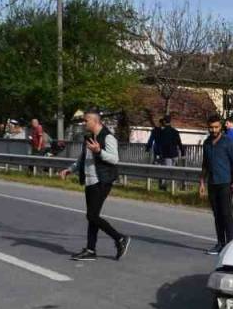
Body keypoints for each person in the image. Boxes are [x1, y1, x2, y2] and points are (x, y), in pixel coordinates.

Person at [60, 108, 131, 261]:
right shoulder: (90, 137)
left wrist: (99, 151)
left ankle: (120, 238)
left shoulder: (108, 137)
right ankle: (91, 250)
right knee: (93, 217)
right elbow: (83, 158)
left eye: (86, 120)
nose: (84, 123)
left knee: (92, 215)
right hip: (90, 180)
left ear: (95, 121)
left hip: (102, 180)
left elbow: (114, 159)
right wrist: (70, 169)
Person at [200, 113, 233, 255]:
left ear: (220, 127)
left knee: (226, 214)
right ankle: (220, 243)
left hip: (226, 183)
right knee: (217, 215)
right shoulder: (206, 143)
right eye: (211, 128)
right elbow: (205, 164)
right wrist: (202, 183)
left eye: (216, 127)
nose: (213, 130)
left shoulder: (227, 141)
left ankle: (230, 245)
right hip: (212, 183)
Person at [145, 115, 185, 189]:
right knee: (173, 171)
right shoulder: (175, 131)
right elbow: (179, 143)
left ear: (164, 121)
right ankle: (174, 186)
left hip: (166, 155)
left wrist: (148, 149)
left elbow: (156, 142)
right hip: (175, 154)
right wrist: (182, 153)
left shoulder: (161, 132)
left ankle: (163, 186)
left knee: (164, 172)